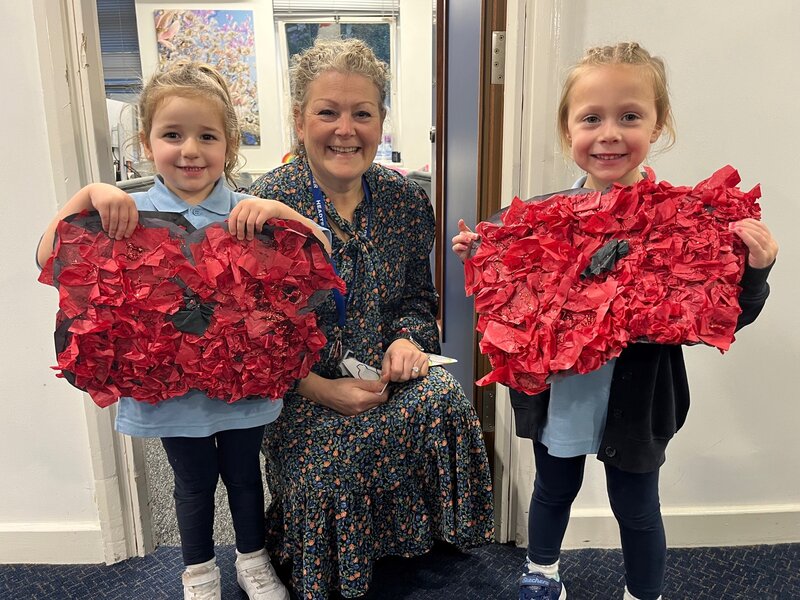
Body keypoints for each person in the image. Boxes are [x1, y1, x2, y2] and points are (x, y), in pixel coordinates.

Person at [452, 42, 778, 600]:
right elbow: (509, 299)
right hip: (564, 394)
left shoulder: (686, 222)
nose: (609, 133)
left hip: (637, 398)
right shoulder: (534, 218)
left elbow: (723, 316)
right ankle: (542, 572)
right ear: (567, 130)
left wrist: (755, 271)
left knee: (637, 506)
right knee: (553, 489)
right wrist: (484, 257)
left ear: (658, 125)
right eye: (591, 118)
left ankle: (642, 592)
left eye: (629, 116)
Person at [37, 61, 333, 600]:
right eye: (172, 135)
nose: (190, 150)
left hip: (244, 384)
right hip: (169, 390)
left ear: (229, 147)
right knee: (193, 483)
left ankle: (252, 560)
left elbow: (322, 256)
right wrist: (88, 196)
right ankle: (197, 571)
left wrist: (279, 210)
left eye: (206, 136)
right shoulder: (128, 212)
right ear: (147, 144)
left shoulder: (249, 213)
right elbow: (48, 257)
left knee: (245, 477)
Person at [248, 38, 494, 599]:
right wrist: (321, 390)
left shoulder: (407, 200)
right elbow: (255, 333)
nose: (345, 129)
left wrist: (408, 341)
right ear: (298, 119)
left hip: (386, 376)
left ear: (381, 120)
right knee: (328, 466)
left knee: (447, 400)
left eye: (362, 113)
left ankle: (413, 541)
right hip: (302, 390)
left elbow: (417, 299)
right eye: (327, 112)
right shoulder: (267, 205)